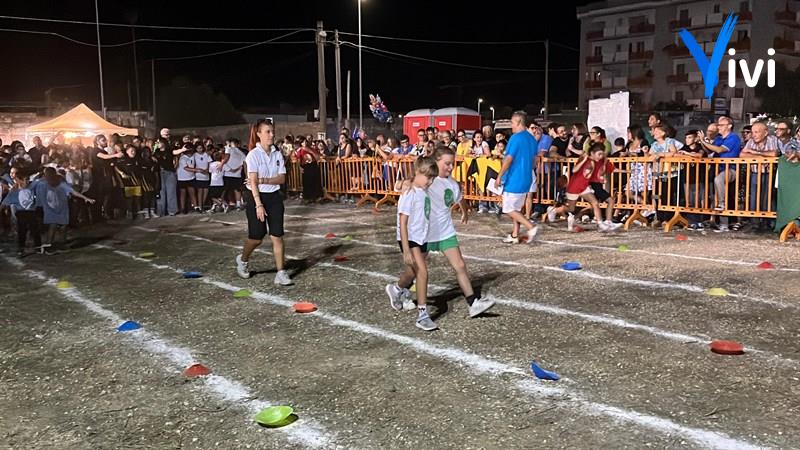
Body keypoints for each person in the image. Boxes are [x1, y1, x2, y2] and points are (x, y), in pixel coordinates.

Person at [387, 146, 496, 318]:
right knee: (414, 272)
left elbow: (460, 199)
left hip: (445, 231)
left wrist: (465, 211)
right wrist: (404, 183)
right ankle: (398, 288)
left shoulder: (452, 183)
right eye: (447, 164)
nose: (450, 167)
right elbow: (406, 183)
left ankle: (473, 302)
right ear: (436, 161)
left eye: (452, 164)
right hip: (425, 233)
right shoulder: (428, 180)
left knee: (459, 265)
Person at [235, 119, 292, 286]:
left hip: (274, 197)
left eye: (272, 131)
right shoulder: (253, 155)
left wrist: (265, 179)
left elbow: (282, 178)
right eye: (267, 131)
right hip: (256, 197)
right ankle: (243, 260)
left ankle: (280, 273)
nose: (271, 135)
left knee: (277, 236)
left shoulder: (277, 153)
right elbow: (253, 182)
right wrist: (258, 204)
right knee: (256, 238)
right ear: (258, 134)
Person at [387, 156, 439, 331]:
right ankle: (422, 315)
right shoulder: (409, 193)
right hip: (409, 238)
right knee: (422, 272)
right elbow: (403, 222)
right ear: (417, 172)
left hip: (422, 237)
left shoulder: (424, 190)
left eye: (432, 178)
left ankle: (396, 289)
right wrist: (406, 250)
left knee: (412, 271)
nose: (430, 181)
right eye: (428, 177)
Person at [547, 143, 621, 232]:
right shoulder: (585, 159)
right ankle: (554, 210)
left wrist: (601, 178)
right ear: (592, 153)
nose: (601, 156)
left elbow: (597, 174)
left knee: (595, 203)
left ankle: (601, 223)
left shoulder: (596, 162)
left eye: (602, 154)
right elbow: (574, 170)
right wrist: (583, 160)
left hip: (584, 186)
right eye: (599, 154)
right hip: (574, 186)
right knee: (571, 209)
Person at [495, 111, 540, 244]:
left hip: (515, 178)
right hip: (527, 178)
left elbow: (509, 159)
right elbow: (534, 160)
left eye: (512, 122)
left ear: (519, 122)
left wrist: (499, 176)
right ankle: (515, 234)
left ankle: (531, 227)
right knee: (516, 208)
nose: (511, 125)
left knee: (508, 208)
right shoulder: (531, 138)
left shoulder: (515, 138)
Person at [32, 167, 95, 253]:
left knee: (57, 225)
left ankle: (53, 244)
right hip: (56, 207)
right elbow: (73, 192)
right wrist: (86, 198)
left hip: (55, 207)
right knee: (58, 225)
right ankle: (53, 244)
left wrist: (86, 198)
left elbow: (73, 191)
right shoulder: (44, 183)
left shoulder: (50, 183)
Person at [698, 116, 742, 232]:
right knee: (715, 195)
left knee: (720, 184)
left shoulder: (733, 137)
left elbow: (719, 150)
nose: (719, 127)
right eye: (718, 125)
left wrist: (703, 141)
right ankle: (722, 224)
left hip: (731, 169)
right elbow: (709, 151)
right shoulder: (719, 138)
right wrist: (704, 142)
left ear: (729, 126)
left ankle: (724, 211)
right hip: (719, 169)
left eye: (721, 125)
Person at [0, 169, 40, 256]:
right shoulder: (14, 192)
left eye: (27, 180)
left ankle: (38, 246)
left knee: (35, 229)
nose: (26, 182)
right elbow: (4, 203)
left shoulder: (31, 187)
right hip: (21, 213)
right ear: (18, 180)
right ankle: (21, 248)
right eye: (24, 180)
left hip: (31, 212)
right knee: (22, 231)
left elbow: (39, 179)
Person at [222, 138, 247, 210]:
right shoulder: (242, 153)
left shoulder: (228, 149)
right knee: (237, 189)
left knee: (226, 189)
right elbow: (245, 164)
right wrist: (246, 175)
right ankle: (238, 204)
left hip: (228, 173)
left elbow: (225, 159)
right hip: (237, 174)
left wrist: (221, 165)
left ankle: (226, 203)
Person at [175, 143, 197, 214]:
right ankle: (183, 208)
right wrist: (198, 170)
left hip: (191, 177)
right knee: (183, 193)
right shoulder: (182, 158)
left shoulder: (194, 156)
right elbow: (186, 168)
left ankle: (196, 207)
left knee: (192, 192)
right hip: (182, 178)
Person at [192, 143, 212, 212]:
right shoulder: (194, 155)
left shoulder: (206, 154)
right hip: (198, 175)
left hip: (206, 175)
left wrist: (207, 170)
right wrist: (197, 170)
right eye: (198, 148)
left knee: (206, 191)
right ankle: (200, 206)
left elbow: (209, 163)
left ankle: (202, 205)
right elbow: (193, 164)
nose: (199, 149)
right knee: (200, 191)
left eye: (201, 148)